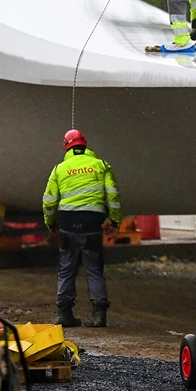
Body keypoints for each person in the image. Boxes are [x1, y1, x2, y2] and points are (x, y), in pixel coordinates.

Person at [42, 129, 123, 328]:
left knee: (66, 269)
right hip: (92, 223)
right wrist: (115, 222)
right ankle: (99, 316)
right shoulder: (101, 165)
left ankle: (64, 314)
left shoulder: (59, 169)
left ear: (66, 146)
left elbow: (49, 201)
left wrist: (50, 224)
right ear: (85, 144)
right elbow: (113, 195)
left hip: (68, 223)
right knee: (94, 269)